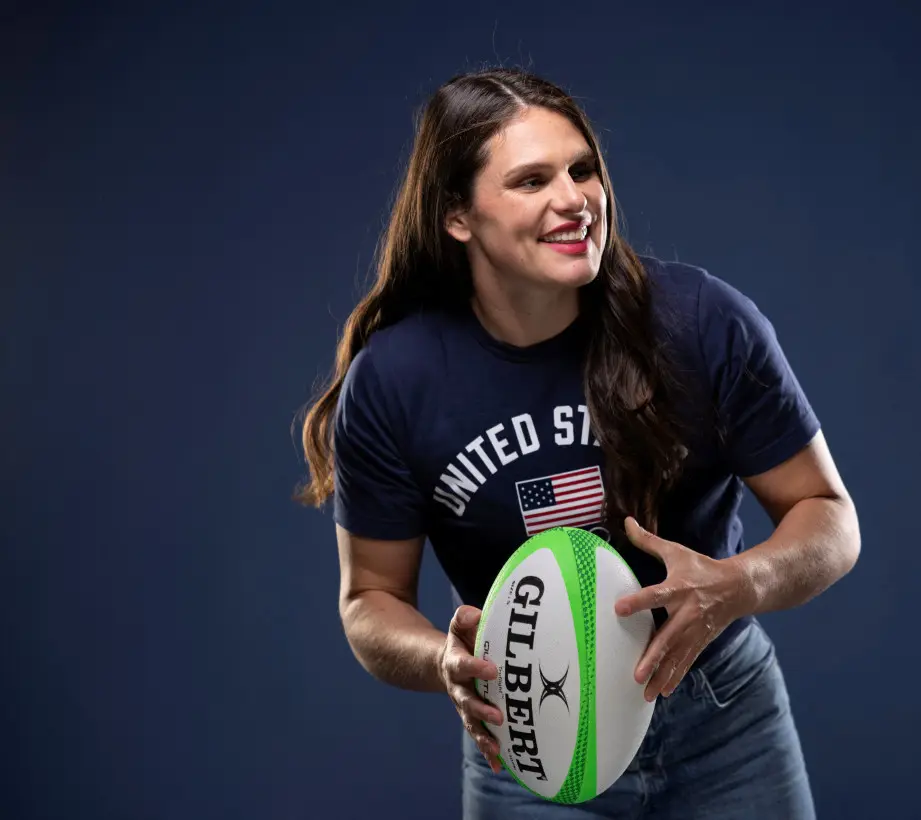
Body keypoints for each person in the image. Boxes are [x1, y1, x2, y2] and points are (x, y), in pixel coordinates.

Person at [295, 67, 861, 819]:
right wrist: (446, 661)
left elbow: (829, 516)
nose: (574, 199)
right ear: (457, 216)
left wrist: (740, 585)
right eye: (531, 181)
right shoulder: (397, 383)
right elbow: (370, 599)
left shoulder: (702, 324)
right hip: (528, 736)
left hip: (722, 715)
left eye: (582, 169)